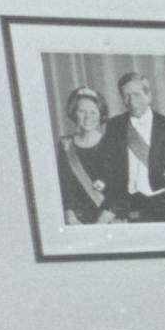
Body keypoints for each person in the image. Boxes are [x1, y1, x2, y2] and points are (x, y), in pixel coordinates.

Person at [115, 71, 165, 222]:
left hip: (164, 200)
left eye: (136, 95)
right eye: (126, 96)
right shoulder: (114, 125)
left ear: (149, 96)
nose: (132, 101)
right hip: (130, 201)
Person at [55, 86, 121, 226]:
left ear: (100, 114)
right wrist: (71, 219)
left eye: (93, 112)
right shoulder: (66, 145)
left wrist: (97, 228)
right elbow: (64, 189)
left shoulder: (113, 145)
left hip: (107, 222)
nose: (87, 117)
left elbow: (118, 195)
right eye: (82, 111)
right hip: (76, 223)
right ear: (74, 113)